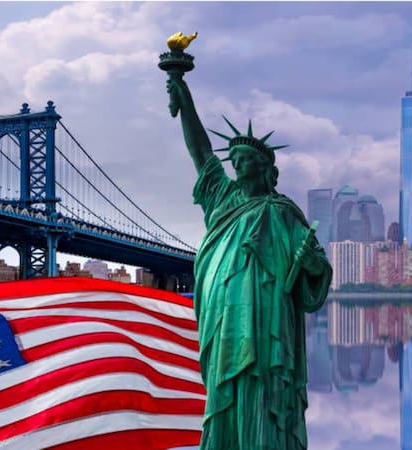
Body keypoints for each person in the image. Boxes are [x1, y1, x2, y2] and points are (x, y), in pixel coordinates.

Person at [167, 77, 332, 449]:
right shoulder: (222, 198)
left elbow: (315, 272)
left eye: (245, 161)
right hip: (223, 319)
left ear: (264, 169)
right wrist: (183, 94)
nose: (237, 166)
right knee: (224, 388)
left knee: (264, 389)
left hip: (267, 322)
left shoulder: (283, 213)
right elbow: (202, 154)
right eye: (235, 160)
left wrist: (312, 265)